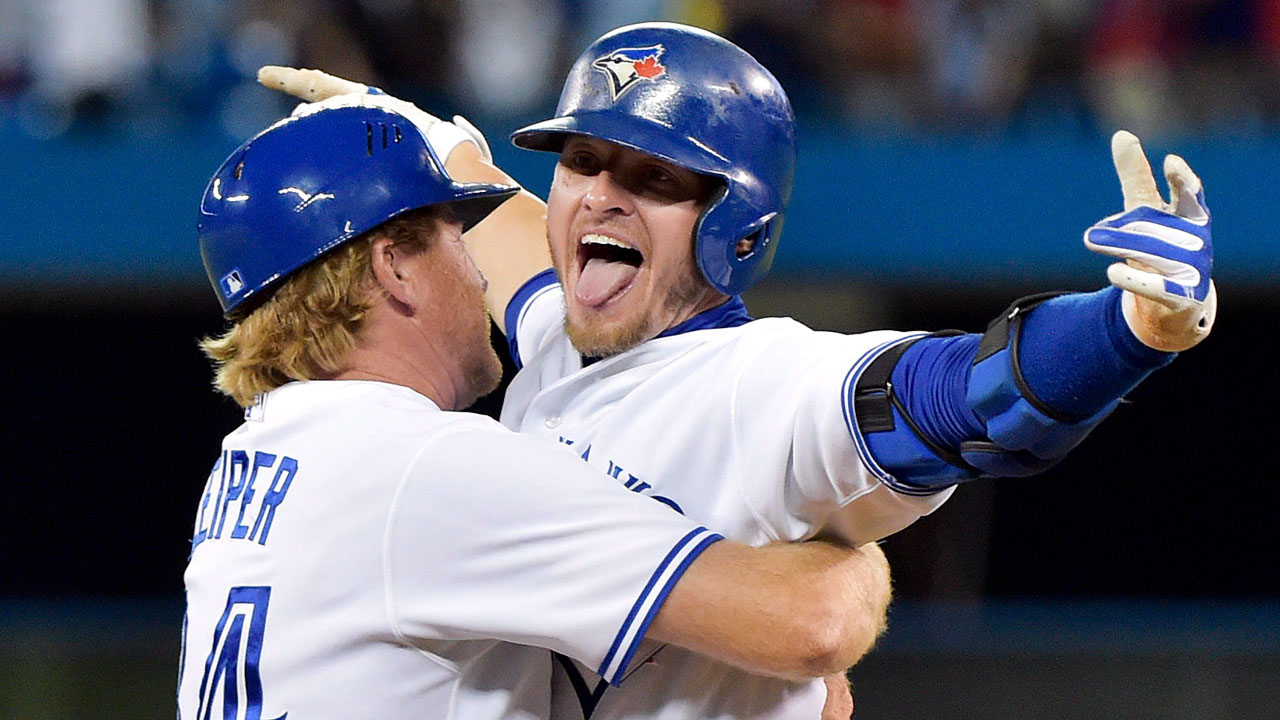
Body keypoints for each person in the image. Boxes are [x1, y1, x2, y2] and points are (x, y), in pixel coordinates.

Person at [258, 19, 1216, 720]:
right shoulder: (560, 336)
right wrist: (411, 140)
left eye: (654, 178)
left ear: (738, 226)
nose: (600, 195)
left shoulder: (768, 387)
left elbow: (967, 398)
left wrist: (1130, 331)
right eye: (582, 160)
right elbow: (518, 222)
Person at [179, 99, 895, 719]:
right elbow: (813, 627)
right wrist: (849, 550)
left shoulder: (255, 463)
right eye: (458, 235)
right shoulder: (430, 470)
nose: (483, 269)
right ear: (393, 266)